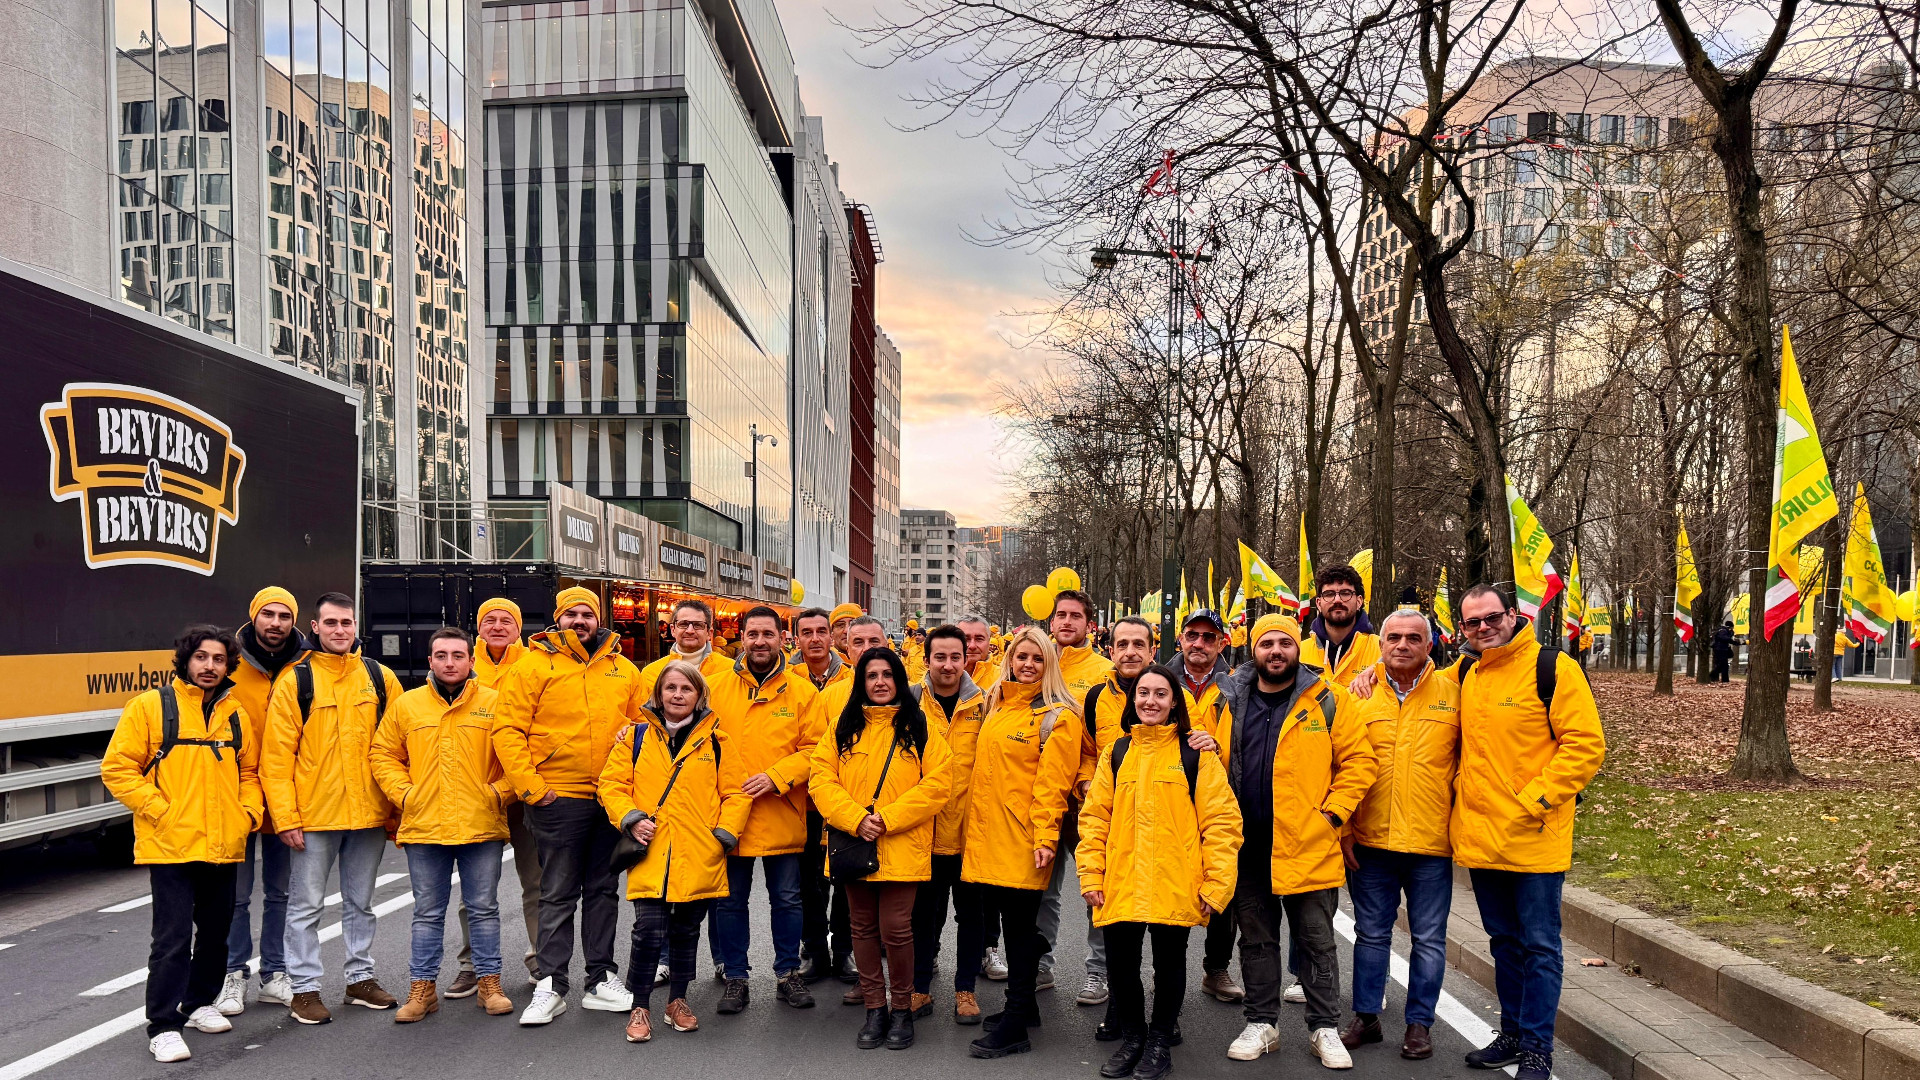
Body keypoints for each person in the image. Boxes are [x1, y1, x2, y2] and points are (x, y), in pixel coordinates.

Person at [1450, 585, 1604, 1080]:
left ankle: (1538, 1047)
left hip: (1535, 836)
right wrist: (1371, 673)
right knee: (1503, 943)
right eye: (1471, 623)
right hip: (1482, 839)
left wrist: (1534, 800)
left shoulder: (1553, 668)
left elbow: (1584, 746)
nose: (1482, 629)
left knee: (1540, 947)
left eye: (1490, 618)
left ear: (1513, 616)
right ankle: (1513, 1033)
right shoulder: (1465, 672)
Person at [1220, 613, 1378, 1069]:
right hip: (1248, 848)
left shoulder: (1328, 700)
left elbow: (1359, 762)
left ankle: (1324, 1027)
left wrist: (1331, 815)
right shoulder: (1229, 701)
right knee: (1256, 940)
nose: (1275, 651)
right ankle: (1261, 1023)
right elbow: (1212, 758)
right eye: (1266, 643)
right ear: (1254, 649)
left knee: (1317, 941)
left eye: (1284, 643)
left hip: (1308, 842)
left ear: (1297, 650)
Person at [103, 625, 263, 1063]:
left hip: (223, 841)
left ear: (228, 665)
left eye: (218, 659)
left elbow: (249, 773)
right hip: (170, 843)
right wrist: (161, 811)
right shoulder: (150, 707)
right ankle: (163, 1025)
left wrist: (247, 816)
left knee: (215, 935)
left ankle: (197, 1004)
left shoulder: (235, 712)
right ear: (185, 660)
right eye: (201, 658)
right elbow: (118, 769)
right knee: (171, 939)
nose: (210, 666)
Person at [1079, 664, 1243, 1080]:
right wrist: (1091, 876)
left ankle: (1159, 1042)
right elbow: (1094, 819)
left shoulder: (1196, 755)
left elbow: (1222, 823)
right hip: (1121, 879)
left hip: (1175, 879)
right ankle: (1133, 1039)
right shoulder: (1117, 752)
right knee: (1121, 966)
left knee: (1169, 967)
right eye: (1143, 693)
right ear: (1133, 701)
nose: (1150, 701)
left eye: (1160, 694)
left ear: (1175, 703)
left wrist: (1216, 883)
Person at [493, 586, 642, 1024]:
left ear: (599, 619)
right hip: (559, 797)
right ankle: (552, 983)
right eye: (571, 614)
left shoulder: (623, 668)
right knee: (556, 893)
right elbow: (507, 731)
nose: (580, 621)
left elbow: (641, 727)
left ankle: (600, 979)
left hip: (611, 797)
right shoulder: (532, 665)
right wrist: (534, 789)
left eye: (587, 614)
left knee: (603, 890)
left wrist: (629, 745)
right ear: (558, 619)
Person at [262, 592, 406, 1024]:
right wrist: (285, 818)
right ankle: (303, 989)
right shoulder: (296, 681)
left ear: (355, 627)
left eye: (346, 623)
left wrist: (396, 811)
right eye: (331, 623)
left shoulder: (380, 678)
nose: (340, 630)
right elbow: (276, 758)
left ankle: (360, 979)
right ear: (315, 627)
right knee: (305, 907)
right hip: (314, 817)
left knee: (361, 903)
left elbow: (402, 747)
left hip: (367, 815)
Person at [598, 661, 751, 1043]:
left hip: (699, 853)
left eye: (686, 689)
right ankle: (640, 1005)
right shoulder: (635, 738)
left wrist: (724, 835)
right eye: (671, 688)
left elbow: (735, 794)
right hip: (651, 851)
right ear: (659, 694)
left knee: (686, 931)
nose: (678, 695)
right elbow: (611, 785)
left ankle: (677, 1001)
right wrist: (631, 819)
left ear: (699, 695)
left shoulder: (718, 742)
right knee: (648, 931)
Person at [369, 627, 516, 1022]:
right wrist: (405, 795)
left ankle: (490, 984)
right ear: (430, 660)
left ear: (471, 660)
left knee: (484, 908)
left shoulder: (496, 703)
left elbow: (518, 758)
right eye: (441, 655)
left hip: (479, 822)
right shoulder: (407, 705)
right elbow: (383, 754)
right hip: (424, 823)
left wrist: (498, 794)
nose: (449, 662)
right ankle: (422, 990)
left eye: (457, 655)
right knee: (427, 912)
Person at [811, 648, 954, 1049]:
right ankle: (875, 1008)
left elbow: (939, 784)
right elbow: (821, 779)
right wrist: (856, 818)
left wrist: (887, 818)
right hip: (854, 842)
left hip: (902, 844)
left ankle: (903, 1009)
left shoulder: (919, 725)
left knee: (896, 928)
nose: (879, 682)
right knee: (861, 927)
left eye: (887, 675)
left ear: (898, 680)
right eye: (871, 675)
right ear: (861, 681)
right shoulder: (843, 725)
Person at [1339, 610, 1460, 1060]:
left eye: (1414, 637)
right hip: (1371, 840)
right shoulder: (1356, 697)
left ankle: (1419, 1025)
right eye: (1393, 637)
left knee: (1429, 938)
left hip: (1432, 843)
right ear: (1381, 644)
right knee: (1371, 934)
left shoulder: (1455, 694)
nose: (1403, 645)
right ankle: (1367, 1018)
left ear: (1429, 645)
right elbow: (1340, 765)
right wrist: (1345, 830)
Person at [961, 625, 1086, 1059]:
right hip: (987, 834)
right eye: (1021, 657)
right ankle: (1026, 1006)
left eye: (1037, 658)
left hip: (1024, 839)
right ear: (1010, 658)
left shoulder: (1058, 716)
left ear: (1049, 663)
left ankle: (1015, 1021)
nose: (1028, 665)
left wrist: (1047, 837)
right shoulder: (998, 704)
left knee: (1017, 931)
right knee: (1013, 924)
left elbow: (1053, 786)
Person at [707, 604, 826, 1013]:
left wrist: (776, 776)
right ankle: (736, 977)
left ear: (782, 638)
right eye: (753, 633)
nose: (760, 641)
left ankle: (787, 974)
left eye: (768, 634)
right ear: (741, 636)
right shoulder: (714, 685)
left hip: (781, 811)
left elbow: (817, 750)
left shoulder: (803, 692)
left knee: (788, 901)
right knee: (729, 901)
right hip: (728, 815)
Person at [217, 587, 308, 1016]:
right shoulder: (228, 665)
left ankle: (275, 973)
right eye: (268, 614)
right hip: (236, 797)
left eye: (284, 616)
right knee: (235, 896)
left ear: (294, 621)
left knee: (281, 893)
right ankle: (233, 974)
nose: (275, 623)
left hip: (289, 798)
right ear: (253, 616)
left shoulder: (308, 665)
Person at [906, 624, 990, 1024]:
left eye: (956, 656)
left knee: (972, 918)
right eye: (940, 656)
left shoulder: (985, 704)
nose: (948, 664)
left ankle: (965, 990)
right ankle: (920, 988)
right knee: (925, 916)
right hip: (924, 830)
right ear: (926, 660)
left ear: (966, 659)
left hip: (971, 833)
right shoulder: (909, 702)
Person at [463, 598, 543, 989]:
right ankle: (471, 965)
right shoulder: (463, 664)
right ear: (479, 627)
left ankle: (541, 958)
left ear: (519, 628)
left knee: (537, 882)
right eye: (489, 620)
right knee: (476, 890)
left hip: (525, 789)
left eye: (506, 620)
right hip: (477, 793)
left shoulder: (534, 664)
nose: (497, 626)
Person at [1039, 588, 1115, 998]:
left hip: (1089, 799)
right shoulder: (1036, 663)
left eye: (1075, 616)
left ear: (1090, 624)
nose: (1066, 622)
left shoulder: (1105, 670)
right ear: (1051, 621)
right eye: (1060, 615)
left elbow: (1104, 739)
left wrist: (1090, 779)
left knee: (1095, 889)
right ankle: (1040, 963)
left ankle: (1098, 971)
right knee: (1043, 889)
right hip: (1044, 799)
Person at [812, 616, 893, 999]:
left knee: (875, 903)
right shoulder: (829, 696)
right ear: (846, 647)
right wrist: (846, 812)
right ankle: (829, 953)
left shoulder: (901, 694)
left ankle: (861, 964)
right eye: (856, 642)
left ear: (887, 644)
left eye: (872, 640)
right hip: (840, 814)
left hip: (884, 819)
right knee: (832, 890)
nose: (863, 648)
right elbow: (819, 758)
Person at [1173, 609, 1248, 1007]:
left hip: (1224, 799)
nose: (1199, 643)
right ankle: (1169, 973)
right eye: (1193, 635)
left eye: (1209, 636)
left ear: (1222, 643)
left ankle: (1216, 967)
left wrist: (1217, 750)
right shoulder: (1160, 681)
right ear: (1180, 640)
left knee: (1224, 887)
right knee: (1174, 885)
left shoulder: (1240, 687)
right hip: (1173, 801)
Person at [793, 606, 852, 983]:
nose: (815, 638)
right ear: (796, 638)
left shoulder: (852, 679)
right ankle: (814, 950)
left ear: (831, 636)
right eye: (807, 632)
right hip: (800, 798)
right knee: (808, 882)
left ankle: (844, 950)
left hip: (843, 796)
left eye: (821, 631)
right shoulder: (786, 678)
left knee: (845, 878)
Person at [1300, 566, 1383, 688]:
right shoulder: (1299, 653)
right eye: (1329, 594)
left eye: (1345, 593)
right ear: (1318, 603)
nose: (1337, 600)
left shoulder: (1381, 651)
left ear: (1359, 601)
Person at [637, 599, 733, 702]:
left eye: (698, 625)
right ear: (673, 630)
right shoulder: (650, 673)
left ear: (709, 633)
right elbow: (643, 716)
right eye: (683, 624)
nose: (690, 631)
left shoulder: (731, 671)